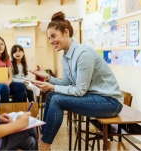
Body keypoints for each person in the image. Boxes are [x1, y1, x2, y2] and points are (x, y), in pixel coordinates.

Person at [29, 11, 123, 150]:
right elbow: (67, 84)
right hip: (93, 97)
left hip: (109, 102)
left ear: (66, 32)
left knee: (56, 99)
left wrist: (52, 87)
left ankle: (44, 145)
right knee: (51, 96)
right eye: (49, 38)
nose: (51, 41)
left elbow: (79, 90)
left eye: (53, 36)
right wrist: (48, 78)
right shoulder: (66, 56)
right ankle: (43, 139)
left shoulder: (83, 54)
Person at [0, 36, 26, 103]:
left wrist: (8, 82)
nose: (0, 46)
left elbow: (10, 76)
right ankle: (4, 110)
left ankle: (15, 109)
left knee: (22, 86)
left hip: (5, 84)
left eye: (2, 44)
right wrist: (1, 82)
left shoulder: (6, 58)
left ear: (4, 45)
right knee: (5, 88)